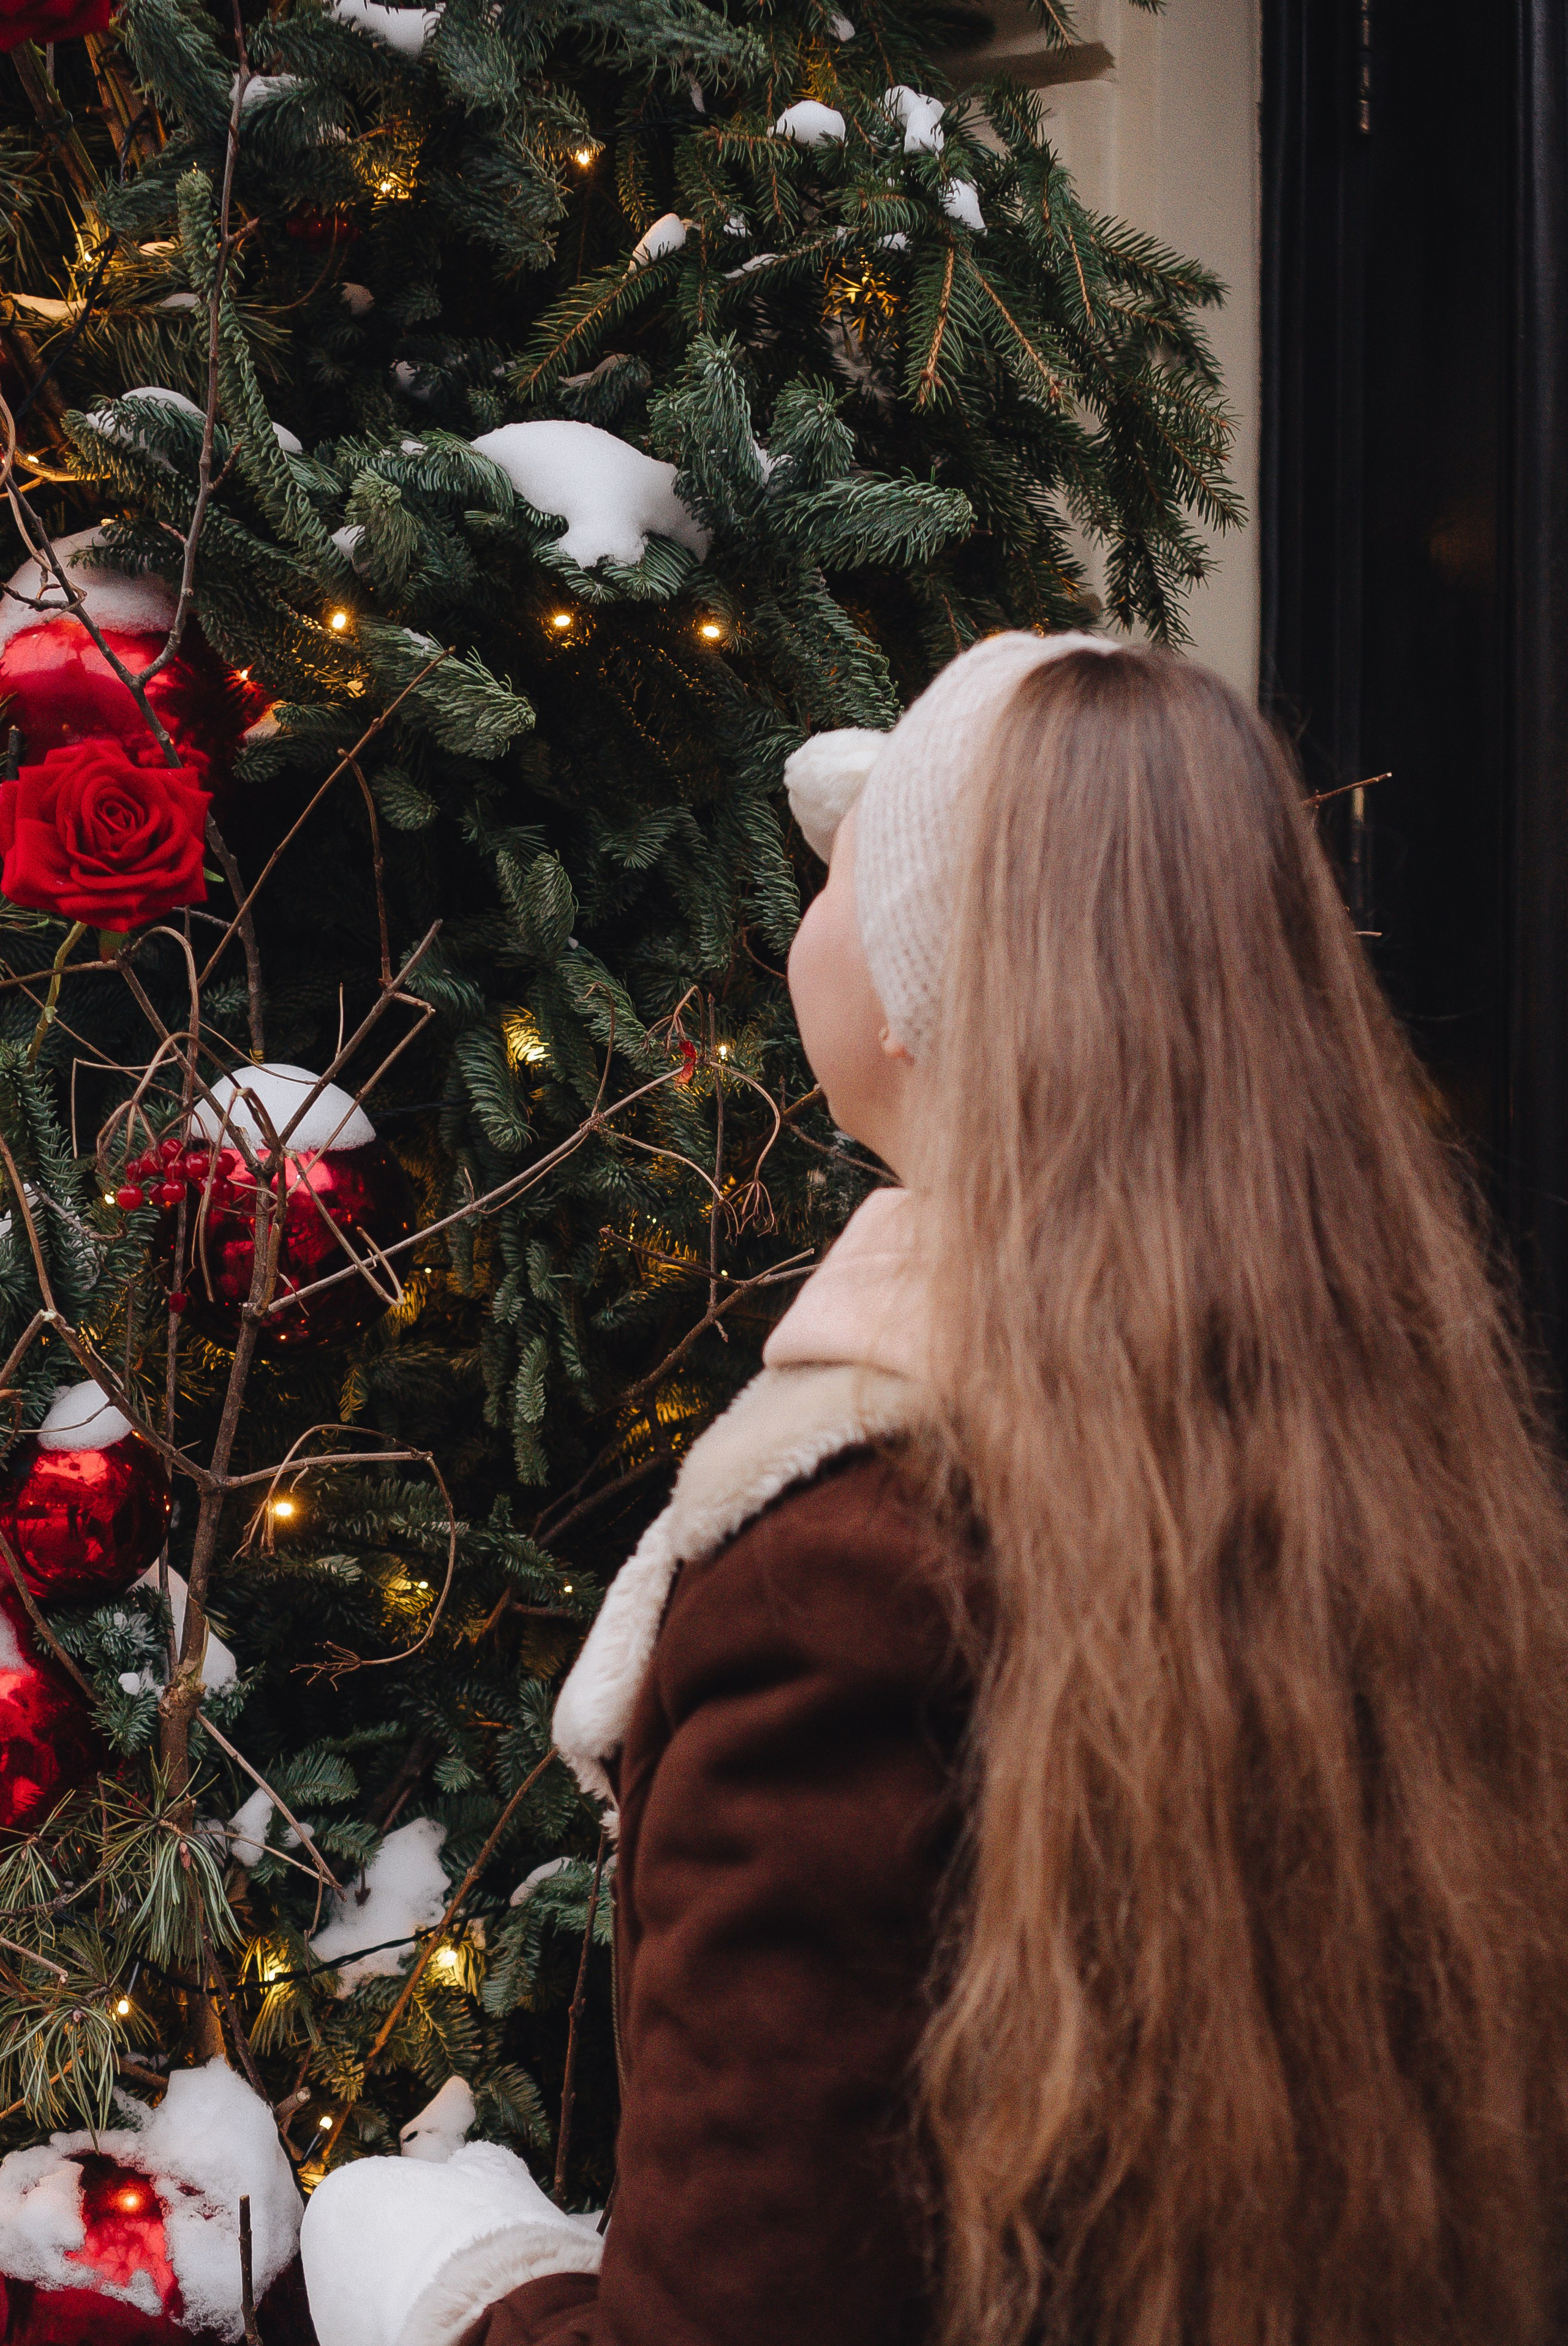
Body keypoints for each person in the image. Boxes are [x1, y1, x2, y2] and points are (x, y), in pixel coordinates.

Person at [301, 635, 1568, 2346]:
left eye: (842, 872)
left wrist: (455, 2280)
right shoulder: (1396, 1463)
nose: (800, 902)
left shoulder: (855, 1576)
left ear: (918, 990)